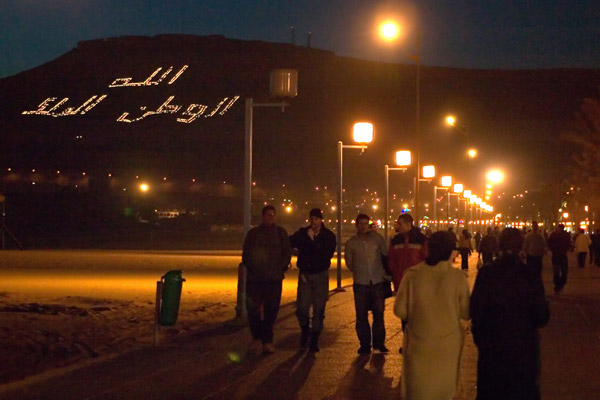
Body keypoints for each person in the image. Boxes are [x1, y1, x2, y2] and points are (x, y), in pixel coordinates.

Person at [470, 228, 550, 400]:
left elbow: (476, 310)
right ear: (521, 246)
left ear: (499, 245)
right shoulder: (530, 274)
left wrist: (480, 338)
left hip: (492, 348)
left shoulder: (486, 273)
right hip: (523, 348)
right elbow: (541, 316)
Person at [394, 231, 470, 400]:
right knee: (443, 390)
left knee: (419, 389)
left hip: (419, 341)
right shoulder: (457, 277)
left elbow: (399, 310)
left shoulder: (412, 275)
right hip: (448, 344)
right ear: (451, 251)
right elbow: (466, 313)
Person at [242, 205, 292, 354]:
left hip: (274, 279)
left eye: (273, 215)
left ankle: (267, 341)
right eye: (268, 215)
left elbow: (286, 252)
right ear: (263, 216)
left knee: (271, 310)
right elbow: (246, 253)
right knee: (253, 309)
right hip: (255, 278)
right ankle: (256, 337)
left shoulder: (280, 233)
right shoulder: (253, 233)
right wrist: (251, 267)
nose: (270, 217)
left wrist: (280, 268)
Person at [290, 208, 336, 352]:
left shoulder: (328, 236)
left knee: (319, 308)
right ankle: (305, 329)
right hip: (305, 274)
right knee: (302, 308)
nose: (314, 222)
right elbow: (289, 243)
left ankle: (314, 339)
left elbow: (326, 254)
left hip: (321, 274)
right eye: (312, 219)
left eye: (316, 219)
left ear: (321, 220)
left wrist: (310, 244)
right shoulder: (302, 233)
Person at [345, 213, 389, 354]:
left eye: (366, 224)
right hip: (361, 282)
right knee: (361, 315)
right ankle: (364, 344)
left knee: (379, 314)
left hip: (377, 281)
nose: (364, 227)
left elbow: (384, 256)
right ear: (357, 225)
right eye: (361, 224)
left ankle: (379, 343)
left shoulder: (377, 240)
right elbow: (349, 263)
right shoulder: (351, 243)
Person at [388, 213, 427, 292]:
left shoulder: (421, 239)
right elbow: (391, 258)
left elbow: (426, 258)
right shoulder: (396, 240)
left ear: (408, 224)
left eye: (400, 224)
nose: (398, 226)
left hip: (417, 280)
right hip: (400, 279)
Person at [547, 224, 572, 293]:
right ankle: (557, 285)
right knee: (556, 271)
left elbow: (569, 243)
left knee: (564, 272)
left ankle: (560, 284)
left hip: (562, 255)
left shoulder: (565, 235)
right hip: (556, 255)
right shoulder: (554, 235)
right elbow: (549, 243)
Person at [522, 221, 546, 289]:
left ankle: (535, 285)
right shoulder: (529, 236)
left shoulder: (540, 236)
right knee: (532, 271)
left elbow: (543, 244)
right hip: (532, 255)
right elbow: (526, 245)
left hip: (537, 255)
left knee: (537, 272)